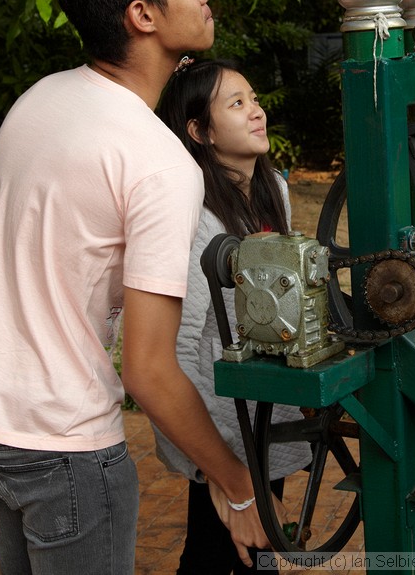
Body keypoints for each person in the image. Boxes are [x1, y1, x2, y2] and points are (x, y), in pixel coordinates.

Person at [0, 0, 271, 574]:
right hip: (65, 448)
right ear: (143, 15)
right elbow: (149, 371)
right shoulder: (158, 161)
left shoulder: (39, 97)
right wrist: (237, 483)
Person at [153, 59, 311, 574]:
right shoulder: (194, 217)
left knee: (254, 554)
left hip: (267, 408)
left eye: (254, 98)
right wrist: (223, 470)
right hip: (217, 416)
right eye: (236, 104)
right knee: (219, 554)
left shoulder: (274, 192)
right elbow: (175, 349)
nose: (257, 112)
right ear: (199, 131)